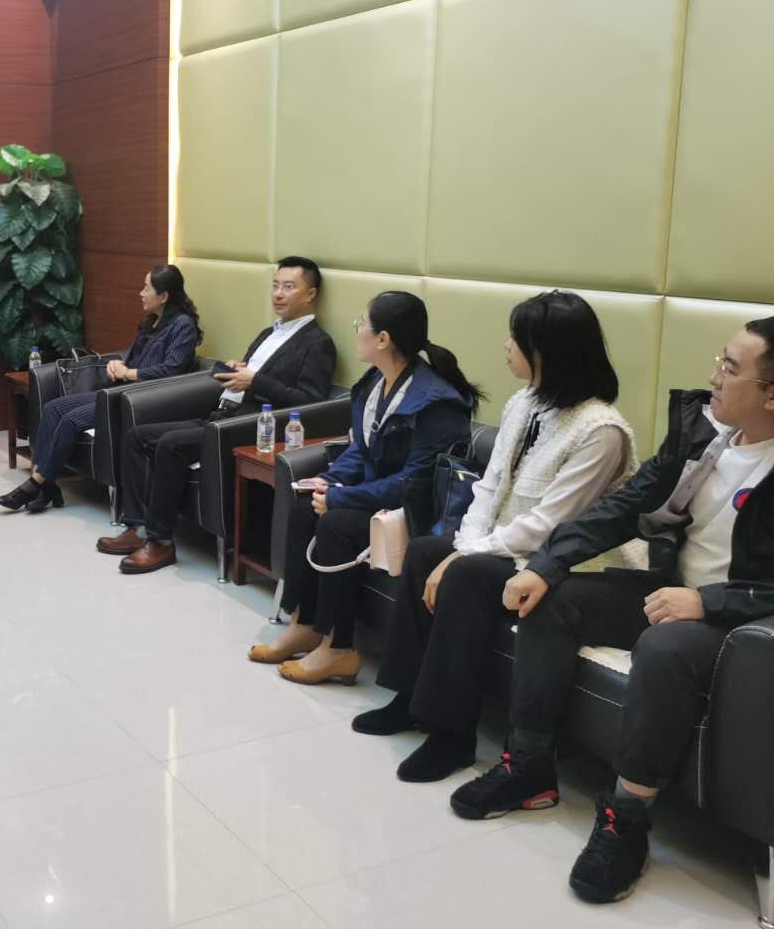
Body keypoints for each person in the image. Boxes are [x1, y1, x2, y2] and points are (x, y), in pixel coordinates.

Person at [446, 317, 774, 906]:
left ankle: (626, 819)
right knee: (554, 598)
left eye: (729, 368)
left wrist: (709, 602)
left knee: (665, 646)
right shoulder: (705, 435)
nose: (714, 376)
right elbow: (627, 505)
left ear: (771, 394)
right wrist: (547, 564)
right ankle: (529, 766)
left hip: (735, 621)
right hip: (670, 589)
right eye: (719, 361)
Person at [351, 291, 640, 782]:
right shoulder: (524, 403)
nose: (506, 345)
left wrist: (464, 558)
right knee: (425, 553)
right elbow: (488, 488)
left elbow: (550, 524)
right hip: (509, 547)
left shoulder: (601, 431)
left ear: (546, 352)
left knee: (467, 575)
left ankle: (452, 735)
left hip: (569, 564)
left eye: (515, 338)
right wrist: (461, 546)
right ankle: (409, 698)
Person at [249, 290, 480, 684]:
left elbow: (413, 483)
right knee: (305, 506)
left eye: (363, 324)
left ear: (384, 339)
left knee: (336, 523)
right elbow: (363, 448)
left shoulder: (437, 403)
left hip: (416, 513)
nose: (357, 331)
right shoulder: (377, 381)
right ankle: (304, 623)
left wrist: (341, 496)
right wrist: (329, 479)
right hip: (379, 498)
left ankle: (339, 646)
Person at [102, 256, 337, 574]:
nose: (278, 294)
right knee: (137, 436)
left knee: (170, 444)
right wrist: (237, 371)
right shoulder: (268, 333)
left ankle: (160, 542)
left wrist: (255, 381)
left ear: (310, 294)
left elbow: (308, 401)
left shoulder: (318, 343)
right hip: (221, 414)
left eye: (288, 287)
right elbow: (253, 374)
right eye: (275, 286)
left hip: (250, 425)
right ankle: (137, 527)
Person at [0, 265, 202, 513]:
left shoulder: (183, 326)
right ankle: (47, 486)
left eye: (146, 288)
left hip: (141, 399)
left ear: (164, 295)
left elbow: (171, 369)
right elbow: (133, 358)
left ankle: (35, 484)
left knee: (71, 420)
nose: (141, 293)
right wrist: (118, 365)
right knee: (52, 408)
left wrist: (129, 373)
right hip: (120, 390)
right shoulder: (152, 322)